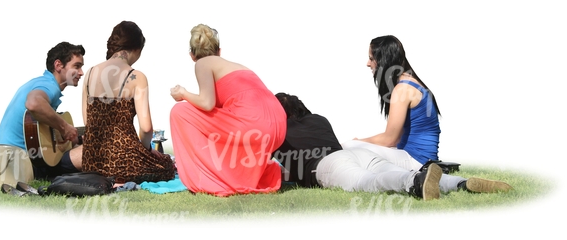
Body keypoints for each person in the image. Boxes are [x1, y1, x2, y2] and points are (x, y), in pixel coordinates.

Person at [342, 35, 511, 193]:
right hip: (422, 157)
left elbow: (390, 139)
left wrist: (359, 141)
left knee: (349, 147)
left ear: (383, 59)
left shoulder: (402, 89)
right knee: (359, 151)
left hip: (415, 159)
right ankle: (458, 183)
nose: (368, 63)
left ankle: (422, 178)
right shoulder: (410, 82)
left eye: (372, 58)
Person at [169, 24, 286, 197]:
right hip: (277, 125)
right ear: (219, 51)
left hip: (252, 124)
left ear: (192, 55)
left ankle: (211, 177)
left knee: (180, 112)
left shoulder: (202, 63)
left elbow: (207, 103)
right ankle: (231, 174)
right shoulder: (237, 66)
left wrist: (183, 93)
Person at [272, 92, 443, 200]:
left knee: (367, 182)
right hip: (355, 154)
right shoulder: (318, 119)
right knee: (394, 171)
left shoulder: (277, 130)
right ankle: (461, 184)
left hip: (329, 165)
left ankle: (414, 181)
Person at [81, 20, 175, 185]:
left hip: (92, 163)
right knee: (167, 164)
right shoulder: (137, 77)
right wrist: (147, 151)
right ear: (137, 49)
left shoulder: (90, 73)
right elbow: (146, 128)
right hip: (124, 163)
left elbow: (88, 122)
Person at [0, 41, 85, 180]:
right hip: (25, 165)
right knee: (93, 151)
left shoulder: (38, 82)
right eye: (77, 66)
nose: (81, 72)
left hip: (9, 161)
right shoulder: (49, 86)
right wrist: (64, 127)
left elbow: (41, 132)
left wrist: (72, 138)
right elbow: (33, 103)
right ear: (58, 65)